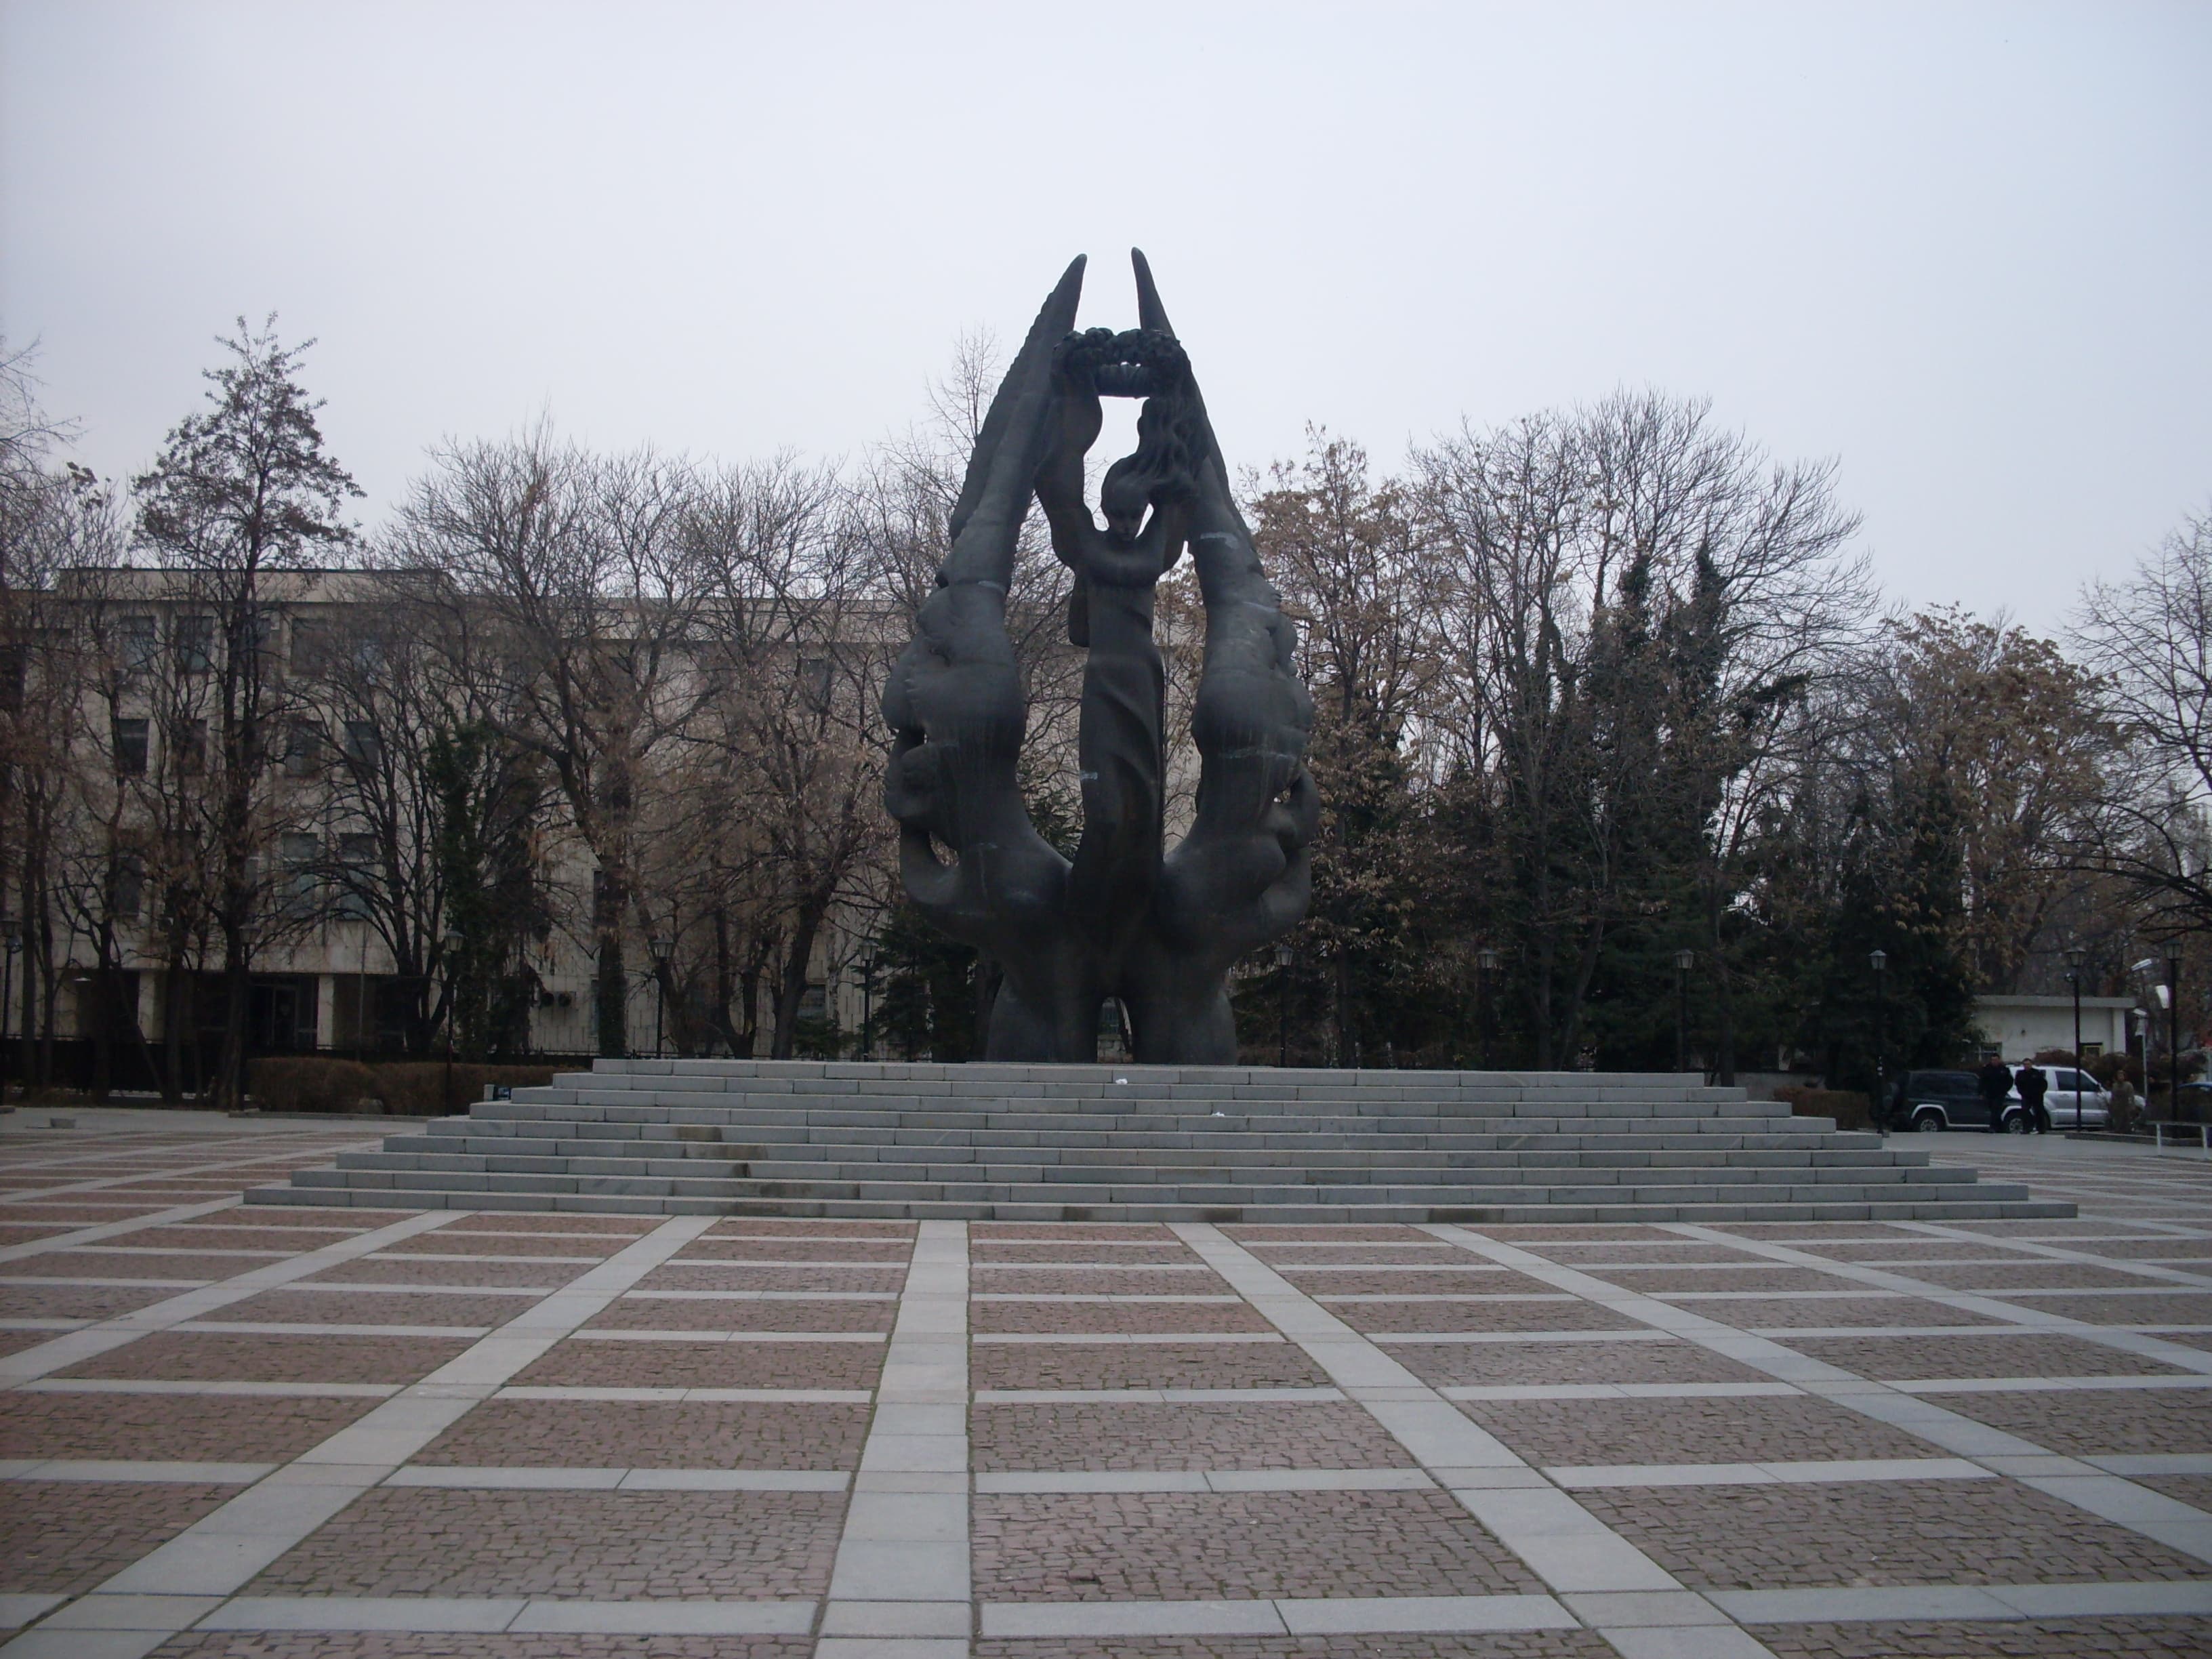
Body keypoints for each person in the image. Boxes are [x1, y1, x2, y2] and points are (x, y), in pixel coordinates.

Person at [1978, 1057, 2015, 1133]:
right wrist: (1981, 1092)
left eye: (1996, 1060)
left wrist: (2005, 1090)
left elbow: (2010, 1081)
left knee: (1996, 1109)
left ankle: (1993, 1127)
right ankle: (1999, 1126)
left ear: (1999, 1060)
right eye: (1993, 1060)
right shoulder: (1986, 1069)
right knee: (1993, 1110)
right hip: (1990, 1094)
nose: (1994, 1061)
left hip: (2000, 1094)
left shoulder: (2004, 1070)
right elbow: (1982, 1081)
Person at [2016, 1062, 2051, 1134]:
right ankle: (2027, 1128)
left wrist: (2040, 1092)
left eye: (2028, 1064)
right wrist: (2022, 1093)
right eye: (2025, 1064)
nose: (2027, 1066)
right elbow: (2018, 1084)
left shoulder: (2037, 1073)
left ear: (2031, 1065)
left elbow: (2044, 1084)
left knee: (2039, 1112)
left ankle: (2041, 1129)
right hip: (2026, 1096)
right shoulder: (2021, 1074)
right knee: (2025, 1112)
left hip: (2037, 1096)